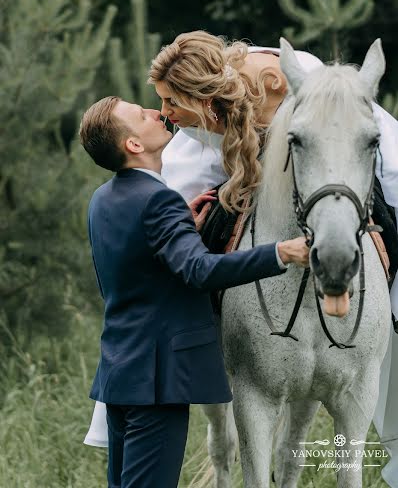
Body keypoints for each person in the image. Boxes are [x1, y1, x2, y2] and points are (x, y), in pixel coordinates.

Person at [79, 95, 309, 488]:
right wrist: (280, 252)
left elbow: (129, 273)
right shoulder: (158, 201)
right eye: (142, 114)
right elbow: (200, 271)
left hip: (120, 373)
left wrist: (177, 225)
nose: (156, 112)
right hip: (159, 379)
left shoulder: (104, 198)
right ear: (133, 144)